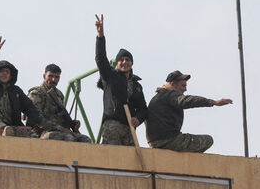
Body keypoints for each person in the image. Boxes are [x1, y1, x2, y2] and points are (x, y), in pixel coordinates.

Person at [145, 70, 233, 152]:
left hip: (154, 142)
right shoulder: (170, 95)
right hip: (168, 140)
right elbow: (186, 101)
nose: (185, 89)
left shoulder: (158, 97)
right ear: (173, 84)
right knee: (208, 140)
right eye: (183, 85)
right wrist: (213, 102)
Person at [94, 14, 148, 146]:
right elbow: (100, 59)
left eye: (127, 60)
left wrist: (138, 119)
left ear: (132, 63)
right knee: (111, 155)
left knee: (130, 158)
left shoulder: (136, 86)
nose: (124, 62)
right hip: (113, 125)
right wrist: (100, 36)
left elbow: (143, 108)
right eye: (121, 60)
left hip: (129, 128)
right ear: (117, 63)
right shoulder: (110, 77)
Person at [0, 37, 42, 137]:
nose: (4, 74)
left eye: (7, 72)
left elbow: (31, 108)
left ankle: (7, 131)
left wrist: (29, 126)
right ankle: (2, 130)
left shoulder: (16, 91)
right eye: (1, 71)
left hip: (10, 129)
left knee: (34, 137)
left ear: (11, 76)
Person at [27, 64, 91, 143]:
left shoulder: (59, 95)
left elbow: (60, 115)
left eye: (57, 77)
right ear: (44, 76)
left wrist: (72, 123)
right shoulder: (36, 93)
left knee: (85, 139)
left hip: (60, 131)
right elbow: (37, 119)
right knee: (68, 138)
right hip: (41, 132)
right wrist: (61, 129)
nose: (53, 80)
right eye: (50, 76)